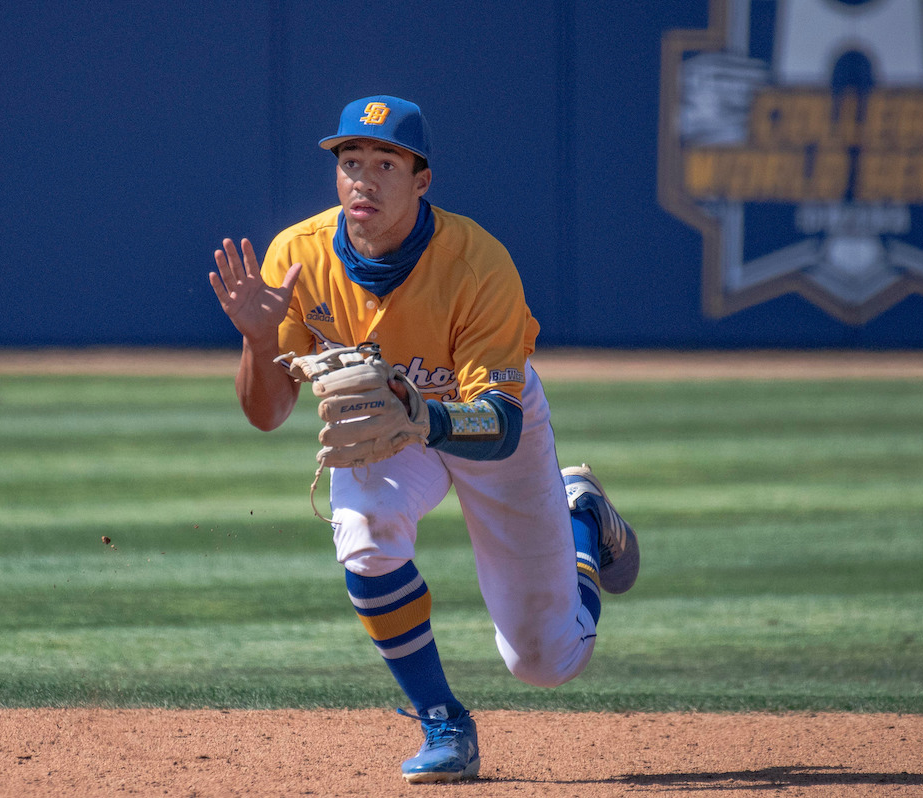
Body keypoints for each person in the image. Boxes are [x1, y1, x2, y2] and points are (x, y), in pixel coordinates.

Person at [209, 95, 640, 784]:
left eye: (386, 163)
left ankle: (581, 515)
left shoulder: (478, 265)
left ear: (422, 181)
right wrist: (260, 343)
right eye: (350, 162)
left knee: (546, 661)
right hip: (390, 421)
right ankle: (443, 721)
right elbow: (266, 414)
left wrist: (426, 420)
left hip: (479, 420)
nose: (364, 180)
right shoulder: (298, 257)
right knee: (366, 536)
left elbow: (501, 426)